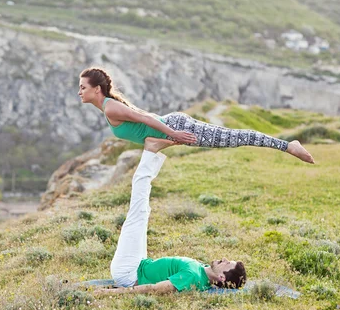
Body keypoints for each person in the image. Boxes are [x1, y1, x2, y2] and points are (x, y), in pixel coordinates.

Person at [94, 138, 247, 297]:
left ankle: (151, 151)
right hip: (140, 264)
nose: (224, 258)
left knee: (138, 211)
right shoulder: (203, 271)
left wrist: (108, 293)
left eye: (228, 263)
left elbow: (155, 288)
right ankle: (153, 152)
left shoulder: (192, 277)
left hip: (129, 272)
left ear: (222, 277)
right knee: (143, 211)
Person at [78, 67, 315, 164]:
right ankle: (157, 143)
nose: (80, 92)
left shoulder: (109, 107)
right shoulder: (109, 107)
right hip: (170, 127)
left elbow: (146, 119)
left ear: (96, 89)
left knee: (235, 137)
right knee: (232, 139)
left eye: (83, 87)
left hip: (174, 126)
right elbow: (144, 116)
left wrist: (173, 134)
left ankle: (288, 146)